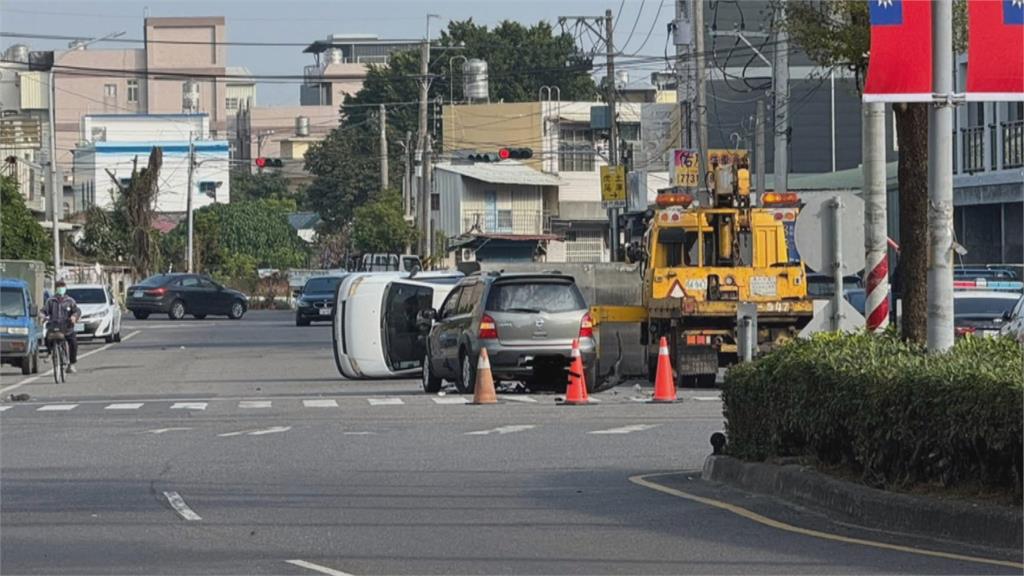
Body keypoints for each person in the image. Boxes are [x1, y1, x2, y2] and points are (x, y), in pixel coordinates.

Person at [43, 280, 81, 374]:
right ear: (56, 289)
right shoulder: (51, 301)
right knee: (47, 336)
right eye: (59, 288)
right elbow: (44, 311)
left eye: (62, 287)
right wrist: (42, 317)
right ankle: (49, 352)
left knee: (73, 343)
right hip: (54, 325)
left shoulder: (70, 301)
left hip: (67, 327)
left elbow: (77, 311)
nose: (61, 289)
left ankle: (71, 364)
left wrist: (74, 317)